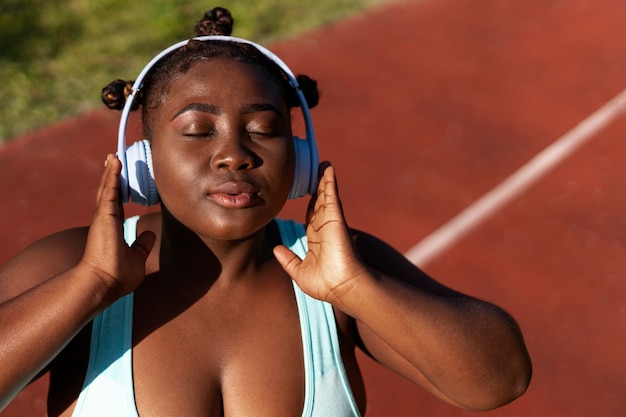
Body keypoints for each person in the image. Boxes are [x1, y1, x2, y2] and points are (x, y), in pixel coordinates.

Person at [0, 7, 531, 417]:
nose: (235, 153)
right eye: (197, 131)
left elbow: (500, 380)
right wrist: (89, 285)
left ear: (299, 157)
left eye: (263, 129)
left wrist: (357, 289)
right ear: (145, 161)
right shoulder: (70, 265)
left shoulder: (339, 267)